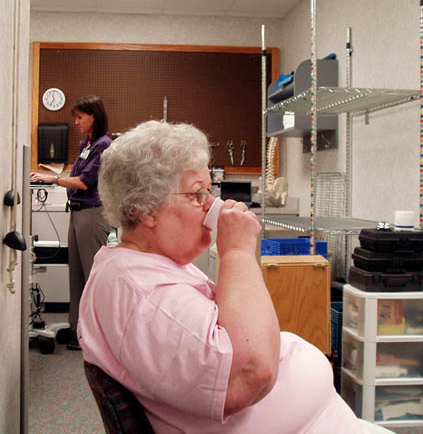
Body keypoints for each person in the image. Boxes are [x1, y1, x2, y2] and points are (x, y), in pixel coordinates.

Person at [77, 120, 364, 433]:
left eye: (210, 191)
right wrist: (237, 252)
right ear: (146, 209)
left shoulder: (154, 264)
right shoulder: (139, 292)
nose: (212, 205)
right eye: (197, 193)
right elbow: (249, 372)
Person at [30, 95, 112, 350]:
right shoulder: (86, 144)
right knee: (75, 274)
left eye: (79, 117)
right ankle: (76, 327)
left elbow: (85, 182)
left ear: (93, 116)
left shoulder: (103, 145)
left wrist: (52, 179)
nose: (76, 122)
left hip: (92, 215)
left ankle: (93, 336)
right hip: (77, 213)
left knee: (91, 277)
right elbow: (77, 177)